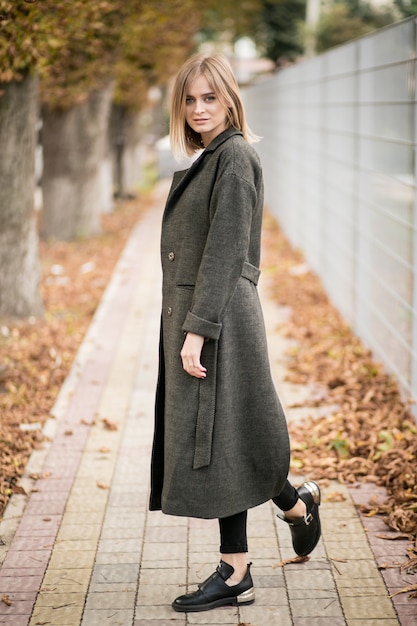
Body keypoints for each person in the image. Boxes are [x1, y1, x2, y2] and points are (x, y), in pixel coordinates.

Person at [149, 52, 321, 613]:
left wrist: (198, 331)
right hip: (208, 311)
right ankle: (294, 504)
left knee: (221, 438)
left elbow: (226, 253)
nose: (199, 108)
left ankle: (236, 570)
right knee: (229, 435)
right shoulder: (212, 157)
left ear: (229, 99)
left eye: (210, 98)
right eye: (191, 99)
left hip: (218, 316)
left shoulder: (235, 156)